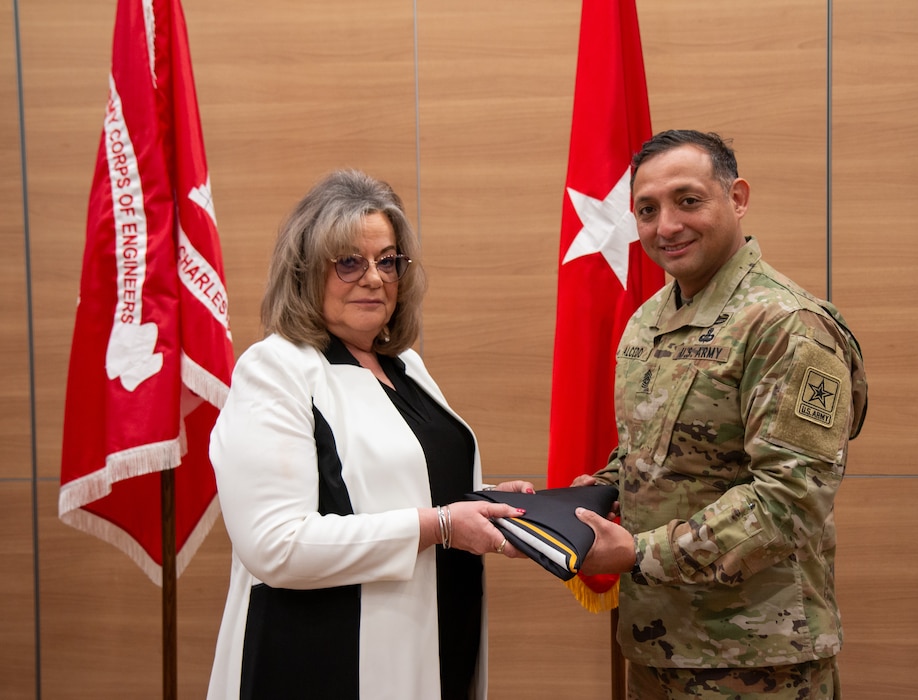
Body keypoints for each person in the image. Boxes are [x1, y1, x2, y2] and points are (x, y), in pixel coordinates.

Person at [206, 169, 533, 700]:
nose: (375, 278)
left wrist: (483, 503)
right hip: (324, 662)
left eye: (388, 261)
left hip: (435, 641)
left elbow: (399, 484)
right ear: (305, 272)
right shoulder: (274, 369)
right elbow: (275, 545)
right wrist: (442, 525)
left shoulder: (405, 366)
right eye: (349, 262)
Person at [572, 130, 868, 699]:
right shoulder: (647, 322)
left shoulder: (788, 326)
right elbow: (654, 456)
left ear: (736, 198)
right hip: (656, 647)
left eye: (688, 200)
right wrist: (589, 498)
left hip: (758, 662)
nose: (666, 226)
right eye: (647, 209)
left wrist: (638, 552)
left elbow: (790, 500)